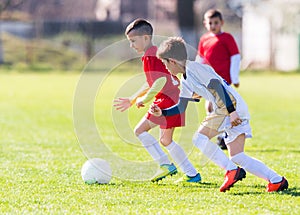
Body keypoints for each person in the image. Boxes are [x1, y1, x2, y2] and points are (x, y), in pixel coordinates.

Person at [151, 36, 288, 192]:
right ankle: (277, 180)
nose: (165, 67)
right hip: (232, 108)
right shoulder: (186, 78)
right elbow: (182, 106)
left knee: (199, 138)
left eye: (165, 63)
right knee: (238, 156)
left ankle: (231, 170)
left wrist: (232, 112)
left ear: (172, 61)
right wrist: (162, 112)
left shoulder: (195, 68)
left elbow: (217, 85)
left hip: (229, 106)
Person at [113, 19, 201, 183]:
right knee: (166, 140)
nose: (131, 45)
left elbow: (159, 82)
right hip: (173, 97)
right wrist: (133, 99)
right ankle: (192, 174)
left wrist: (144, 99)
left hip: (167, 100)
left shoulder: (150, 56)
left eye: (133, 41)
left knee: (140, 131)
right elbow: (152, 81)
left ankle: (166, 165)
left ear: (145, 38)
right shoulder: (154, 53)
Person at [195, 9, 242, 150]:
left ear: (221, 22)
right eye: (210, 23)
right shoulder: (204, 39)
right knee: (210, 106)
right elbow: (201, 59)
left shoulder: (227, 38)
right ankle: (217, 132)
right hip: (209, 80)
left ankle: (223, 136)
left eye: (216, 22)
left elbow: (235, 57)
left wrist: (235, 77)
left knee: (222, 106)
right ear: (205, 24)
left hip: (224, 80)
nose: (213, 25)